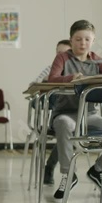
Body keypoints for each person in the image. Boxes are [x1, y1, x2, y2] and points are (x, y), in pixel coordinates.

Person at [48, 19, 102, 199]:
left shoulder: (97, 60)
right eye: (78, 39)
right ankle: (68, 174)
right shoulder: (62, 58)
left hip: (90, 115)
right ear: (71, 40)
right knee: (63, 124)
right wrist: (71, 77)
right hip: (66, 113)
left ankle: (98, 170)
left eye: (87, 39)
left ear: (93, 41)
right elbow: (52, 79)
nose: (83, 43)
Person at [30, 40, 71, 185]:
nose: (60, 55)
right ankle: (51, 166)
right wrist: (44, 81)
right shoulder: (50, 69)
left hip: (75, 116)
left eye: (64, 53)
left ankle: (50, 166)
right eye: (58, 52)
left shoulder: (79, 71)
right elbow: (32, 88)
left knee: (67, 133)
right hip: (57, 114)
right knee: (64, 130)